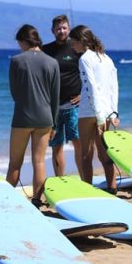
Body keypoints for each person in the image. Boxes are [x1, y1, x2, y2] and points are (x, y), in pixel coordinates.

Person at [6, 24, 59, 205]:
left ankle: (8, 199)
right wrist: (55, 124)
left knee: (15, 163)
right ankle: (37, 200)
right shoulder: (52, 62)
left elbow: (14, 92)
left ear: (23, 41)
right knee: (39, 162)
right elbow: (55, 96)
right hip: (45, 118)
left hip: (23, 116)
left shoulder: (16, 61)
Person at [68, 25, 120, 192]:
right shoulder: (107, 58)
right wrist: (113, 112)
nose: (71, 45)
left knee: (85, 155)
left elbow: (90, 88)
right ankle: (112, 188)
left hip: (89, 112)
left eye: (73, 42)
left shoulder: (85, 59)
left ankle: (87, 190)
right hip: (106, 112)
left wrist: (98, 116)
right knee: (104, 153)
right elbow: (114, 87)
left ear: (81, 41)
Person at [42, 15, 82, 176]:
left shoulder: (76, 48)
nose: (61, 31)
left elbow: (87, 74)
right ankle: (60, 180)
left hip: (74, 105)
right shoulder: (46, 50)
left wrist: (82, 95)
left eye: (64, 28)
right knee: (56, 145)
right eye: (58, 28)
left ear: (69, 29)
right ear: (53, 31)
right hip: (53, 107)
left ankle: (85, 178)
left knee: (78, 143)